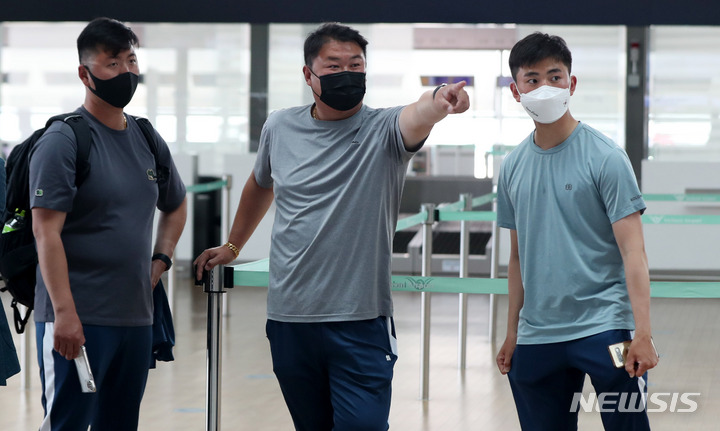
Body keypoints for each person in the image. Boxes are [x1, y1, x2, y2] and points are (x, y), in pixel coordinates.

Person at [194, 22, 469, 431]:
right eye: (334, 65)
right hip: (290, 317)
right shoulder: (280, 126)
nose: (347, 74)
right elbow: (260, 183)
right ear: (309, 75)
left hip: (360, 320)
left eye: (356, 65)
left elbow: (419, 113)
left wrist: (440, 100)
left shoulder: (385, 130)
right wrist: (233, 246)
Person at [494, 32, 659, 430]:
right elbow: (518, 257)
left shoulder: (606, 158)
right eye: (532, 79)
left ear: (572, 83)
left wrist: (644, 333)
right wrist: (512, 332)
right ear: (516, 92)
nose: (545, 87)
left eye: (555, 76)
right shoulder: (513, 166)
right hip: (538, 336)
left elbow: (633, 253)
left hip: (606, 328)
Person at [29, 18, 187, 430]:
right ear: (85, 73)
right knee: (69, 423)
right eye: (112, 63)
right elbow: (46, 232)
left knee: (119, 423)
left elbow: (176, 203)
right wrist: (64, 314)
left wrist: (161, 259)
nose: (126, 72)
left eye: (131, 61)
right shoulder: (64, 141)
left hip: (135, 317)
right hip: (77, 319)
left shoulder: (147, 137)